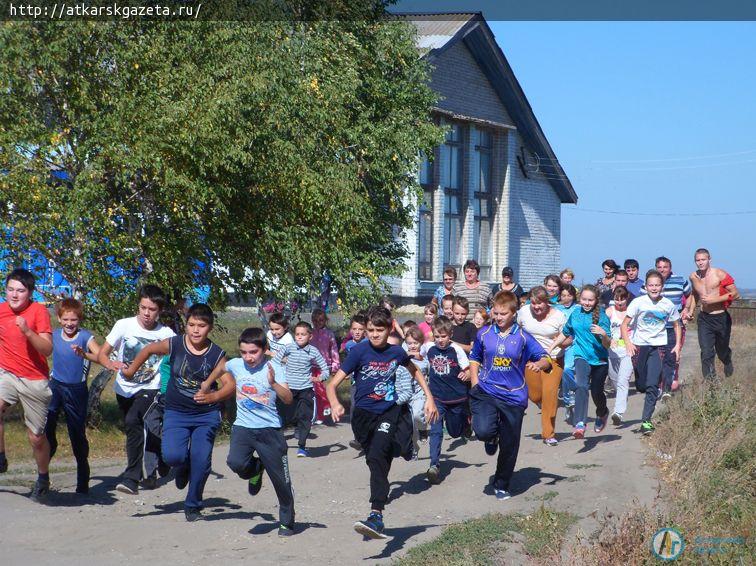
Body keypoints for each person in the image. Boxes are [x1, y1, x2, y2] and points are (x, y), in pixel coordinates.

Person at [326, 306, 438, 539]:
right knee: (376, 459)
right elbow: (332, 384)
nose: (375, 334)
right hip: (363, 417)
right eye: (370, 330)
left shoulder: (396, 352)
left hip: (387, 412)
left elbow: (415, 370)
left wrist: (429, 398)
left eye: (380, 330)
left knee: (378, 455)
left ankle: (376, 513)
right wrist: (335, 403)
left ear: (390, 329)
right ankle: (404, 445)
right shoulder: (358, 352)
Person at [121, 303, 234, 520]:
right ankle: (183, 466)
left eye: (201, 326)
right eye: (191, 324)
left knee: (201, 460)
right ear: (186, 325)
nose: (195, 330)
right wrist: (131, 370)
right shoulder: (174, 344)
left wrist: (213, 396)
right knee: (173, 456)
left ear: (209, 327)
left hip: (205, 415)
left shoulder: (216, 354)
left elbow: (230, 385)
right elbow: (148, 349)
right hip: (176, 411)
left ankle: (193, 505)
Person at [469, 291, 551, 500]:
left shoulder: (523, 337)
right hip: (487, 390)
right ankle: (491, 437)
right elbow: (475, 358)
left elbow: (545, 358)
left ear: (513, 313)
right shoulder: (484, 334)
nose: (498, 317)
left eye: (503, 313)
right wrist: (475, 382)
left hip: (514, 397)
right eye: (495, 313)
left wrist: (538, 364)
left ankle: (502, 483)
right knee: (482, 430)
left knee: (510, 443)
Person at [97, 284, 176, 495]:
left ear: (160, 311)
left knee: (134, 422)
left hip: (151, 387)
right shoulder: (124, 325)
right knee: (136, 427)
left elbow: (177, 361)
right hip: (124, 388)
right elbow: (102, 354)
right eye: (143, 308)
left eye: (152, 310)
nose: (147, 314)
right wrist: (110, 363)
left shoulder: (166, 334)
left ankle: (131, 478)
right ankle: (159, 457)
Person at [225, 328, 296, 537]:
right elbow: (219, 368)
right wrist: (207, 384)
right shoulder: (235, 364)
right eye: (244, 352)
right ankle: (255, 469)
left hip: (269, 430)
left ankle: (287, 520)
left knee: (281, 480)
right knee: (235, 463)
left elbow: (288, 399)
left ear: (265, 350)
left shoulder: (274, 368)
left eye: (253, 352)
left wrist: (273, 383)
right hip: (243, 427)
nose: (248, 357)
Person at [0, 268, 53, 501]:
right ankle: (1, 456)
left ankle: (43, 476)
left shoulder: (38, 311)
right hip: (7, 374)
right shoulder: (1, 311)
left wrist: (28, 331)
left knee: (36, 437)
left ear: (29, 293)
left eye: (20, 290)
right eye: (10, 289)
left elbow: (47, 349)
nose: (14, 295)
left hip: (34, 379)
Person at [46, 298, 101, 495]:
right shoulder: (53, 335)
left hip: (76, 390)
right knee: (47, 426)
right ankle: (43, 474)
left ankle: (82, 477)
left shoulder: (85, 337)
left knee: (76, 434)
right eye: (66, 319)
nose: (70, 324)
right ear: (59, 319)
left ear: (79, 320)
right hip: (56, 386)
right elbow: (40, 350)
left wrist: (84, 354)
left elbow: (101, 356)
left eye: (74, 320)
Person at [621, 270, 681, 435]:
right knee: (641, 385)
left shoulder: (668, 304)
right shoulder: (638, 303)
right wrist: (628, 343)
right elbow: (624, 325)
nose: (654, 288)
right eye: (651, 285)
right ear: (646, 287)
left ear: (662, 287)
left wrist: (676, 345)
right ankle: (645, 387)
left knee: (653, 384)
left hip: (658, 346)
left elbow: (677, 324)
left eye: (657, 285)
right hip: (640, 346)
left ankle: (646, 421)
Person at [548, 284, 611, 439]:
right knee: (581, 386)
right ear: (579, 299)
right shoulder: (575, 313)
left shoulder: (602, 316)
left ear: (596, 300)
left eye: (590, 300)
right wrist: (551, 348)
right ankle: (580, 424)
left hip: (600, 360)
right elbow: (565, 333)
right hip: (581, 356)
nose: (587, 303)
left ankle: (602, 412)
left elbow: (608, 344)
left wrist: (603, 334)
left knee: (596, 392)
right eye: (584, 299)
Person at [517, 287, 566, 446]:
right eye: (533, 303)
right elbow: (516, 329)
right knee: (535, 395)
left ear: (547, 302)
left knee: (550, 394)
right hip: (531, 359)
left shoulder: (558, 316)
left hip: (553, 359)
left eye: (540, 304)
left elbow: (569, 338)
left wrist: (558, 341)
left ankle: (548, 434)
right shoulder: (524, 312)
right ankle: (543, 402)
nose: (536, 307)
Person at [424, 316, 470, 484]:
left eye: (443, 336)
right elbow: (417, 356)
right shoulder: (429, 348)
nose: (440, 340)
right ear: (433, 336)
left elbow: (468, 368)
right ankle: (434, 465)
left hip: (456, 398)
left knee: (455, 432)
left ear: (450, 334)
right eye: (437, 336)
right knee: (435, 431)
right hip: (436, 399)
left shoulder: (456, 350)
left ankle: (466, 424)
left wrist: (467, 374)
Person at [274, 321, 329, 457]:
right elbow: (275, 361)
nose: (299, 337)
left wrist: (320, 378)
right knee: (286, 416)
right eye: (297, 334)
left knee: (305, 417)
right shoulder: (289, 347)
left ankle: (302, 446)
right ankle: (278, 442)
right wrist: (275, 374)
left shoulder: (313, 351)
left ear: (310, 337)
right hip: (288, 390)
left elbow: (325, 369)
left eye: (303, 334)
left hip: (306, 389)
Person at [684, 248, 739, 379]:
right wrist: (691, 311)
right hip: (704, 319)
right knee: (706, 352)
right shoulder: (693, 277)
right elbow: (695, 294)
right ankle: (711, 384)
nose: (700, 262)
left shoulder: (719, 274)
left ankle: (727, 359)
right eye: (697, 260)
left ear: (709, 260)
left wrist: (715, 299)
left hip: (721, 317)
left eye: (703, 259)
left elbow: (736, 294)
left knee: (721, 350)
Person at [645, 256, 691, 395]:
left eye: (665, 267)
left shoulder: (681, 280)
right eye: (659, 267)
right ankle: (658, 385)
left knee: (671, 357)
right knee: (656, 358)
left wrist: (686, 309)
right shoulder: (650, 282)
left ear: (670, 268)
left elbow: (689, 295)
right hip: (654, 328)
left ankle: (666, 388)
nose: (662, 270)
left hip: (673, 327)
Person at [605, 287, 633, 425]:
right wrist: (609, 339)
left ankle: (618, 413)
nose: (619, 302)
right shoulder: (610, 312)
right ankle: (622, 400)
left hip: (628, 351)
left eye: (622, 299)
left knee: (623, 381)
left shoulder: (632, 311)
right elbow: (603, 327)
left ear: (627, 298)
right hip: (612, 352)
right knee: (617, 382)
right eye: (617, 299)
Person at [403, 326, 429, 457]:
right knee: (410, 425)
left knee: (417, 416)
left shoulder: (424, 359)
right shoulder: (403, 357)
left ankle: (423, 429)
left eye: (415, 343)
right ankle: (414, 448)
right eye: (409, 343)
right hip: (406, 394)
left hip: (419, 394)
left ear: (421, 343)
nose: (412, 346)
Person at [310, 308, 339, 424]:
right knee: (314, 391)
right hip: (311, 366)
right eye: (315, 321)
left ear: (325, 321)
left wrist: (335, 365)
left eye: (320, 320)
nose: (318, 323)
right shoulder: (310, 333)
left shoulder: (329, 334)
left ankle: (327, 408)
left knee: (323, 389)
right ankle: (317, 414)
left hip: (324, 366)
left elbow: (334, 350)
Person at [556, 284, 578, 421]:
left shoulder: (578, 309)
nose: (566, 298)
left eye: (569, 295)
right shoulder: (555, 309)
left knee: (567, 370)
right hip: (557, 344)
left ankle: (573, 396)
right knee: (560, 374)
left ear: (573, 296)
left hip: (573, 344)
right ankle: (568, 400)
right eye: (563, 295)